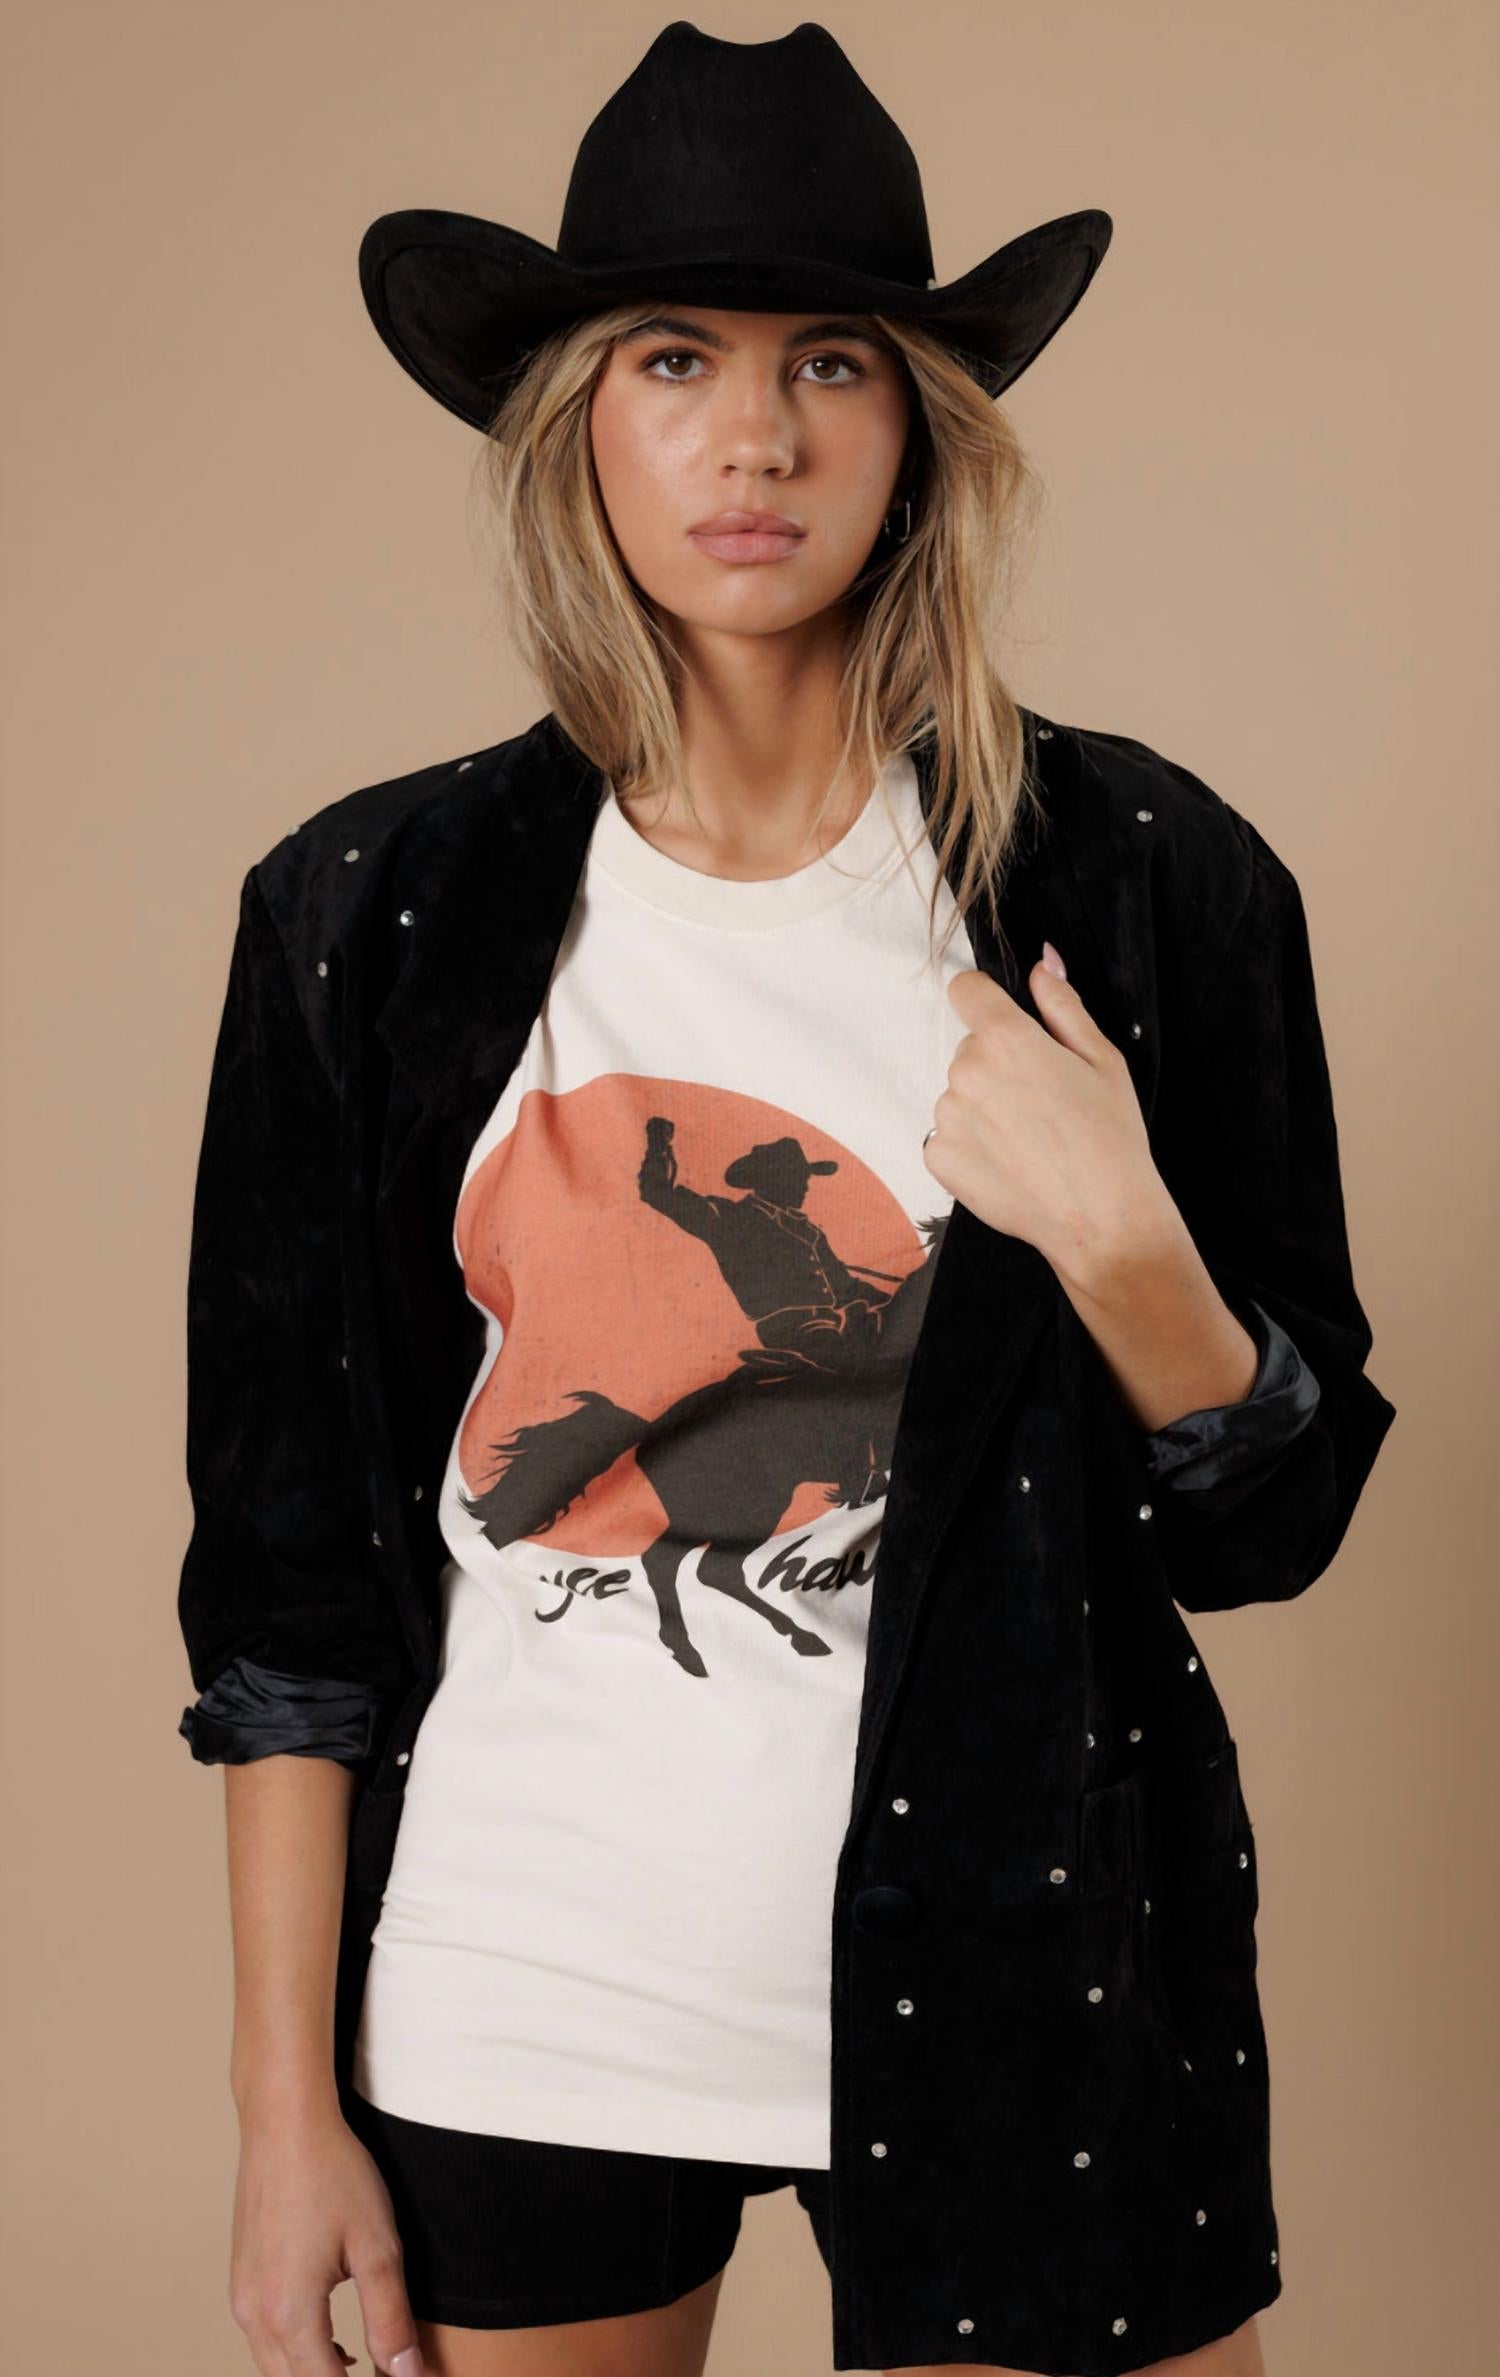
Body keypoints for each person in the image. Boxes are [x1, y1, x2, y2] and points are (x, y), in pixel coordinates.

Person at [178, 24, 1394, 2377]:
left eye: (832, 362)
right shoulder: (373, 913)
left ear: (920, 425)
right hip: (527, 1988)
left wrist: (1127, 1245)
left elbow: (1277, 1520)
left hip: (1025, 1966)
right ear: (578, 425)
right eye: (674, 361)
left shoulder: (1143, 881)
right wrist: (279, 2110)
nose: (757, 439)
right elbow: (289, 1583)